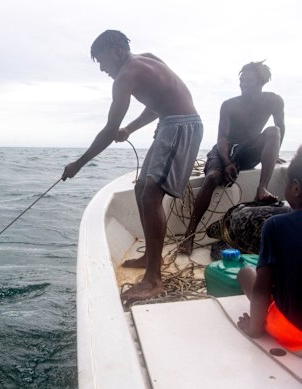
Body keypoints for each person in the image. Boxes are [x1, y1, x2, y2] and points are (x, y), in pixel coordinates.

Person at [61, 30, 203, 304]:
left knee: (151, 194)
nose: (102, 69)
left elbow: (108, 130)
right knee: (141, 189)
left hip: (180, 125)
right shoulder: (148, 60)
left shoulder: (126, 75)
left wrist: (79, 163)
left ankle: (153, 280)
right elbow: (155, 106)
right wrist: (131, 128)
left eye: (102, 61)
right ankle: (151, 256)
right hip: (170, 123)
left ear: (115, 50)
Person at [179, 61, 285, 255]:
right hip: (225, 150)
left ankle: (261, 190)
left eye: (248, 80)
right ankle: (189, 236)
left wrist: (273, 152)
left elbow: (280, 129)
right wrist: (227, 162)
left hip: (249, 149)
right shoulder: (229, 105)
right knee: (212, 178)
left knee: (273, 131)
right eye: (241, 79)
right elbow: (222, 139)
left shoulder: (273, 101)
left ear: (261, 81)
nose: (243, 83)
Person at [236, 145, 302, 355]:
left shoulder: (275, 226)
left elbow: (262, 288)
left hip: (293, 334)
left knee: (246, 273)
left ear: (296, 187)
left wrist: (255, 330)